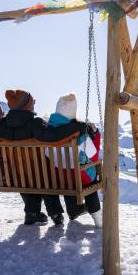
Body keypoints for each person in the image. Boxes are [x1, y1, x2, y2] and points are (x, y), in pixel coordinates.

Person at [0, 89, 88, 226]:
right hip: (42, 177)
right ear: (27, 106)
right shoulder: (35, 124)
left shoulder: (1, 126)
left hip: (16, 178)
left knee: (25, 173)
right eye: (32, 103)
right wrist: (78, 126)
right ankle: (55, 213)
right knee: (44, 171)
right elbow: (54, 136)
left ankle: (31, 213)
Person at [46, 92, 102, 228]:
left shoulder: (46, 130)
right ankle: (98, 219)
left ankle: (73, 210)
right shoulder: (78, 132)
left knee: (69, 174)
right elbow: (93, 155)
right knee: (89, 176)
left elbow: (47, 155)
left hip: (57, 176)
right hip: (77, 177)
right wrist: (96, 136)